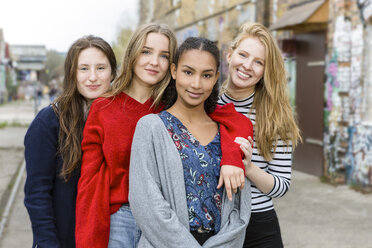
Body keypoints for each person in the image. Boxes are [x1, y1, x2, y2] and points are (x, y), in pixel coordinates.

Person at [129, 37, 254, 248]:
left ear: (215, 78)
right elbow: (146, 203)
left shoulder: (226, 135)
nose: (196, 84)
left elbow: (239, 207)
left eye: (206, 75)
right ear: (174, 71)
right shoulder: (150, 127)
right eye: (188, 72)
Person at [75, 23, 178, 248]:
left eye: (163, 56)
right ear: (132, 53)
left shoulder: (174, 109)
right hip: (119, 220)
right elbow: (88, 181)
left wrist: (232, 158)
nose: (153, 61)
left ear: (172, 65)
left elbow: (225, 117)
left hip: (163, 221)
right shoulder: (103, 108)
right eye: (146, 51)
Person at [24, 35, 117, 248]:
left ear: (112, 72)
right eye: (83, 68)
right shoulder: (49, 122)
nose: (92, 77)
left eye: (101, 68)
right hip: (63, 241)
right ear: (72, 73)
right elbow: (37, 194)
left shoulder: (120, 120)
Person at [218, 22, 302, 247]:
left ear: (265, 71)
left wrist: (250, 168)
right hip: (215, 223)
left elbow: (282, 185)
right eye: (243, 55)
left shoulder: (275, 116)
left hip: (259, 225)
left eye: (258, 62)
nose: (247, 65)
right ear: (229, 55)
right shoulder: (206, 107)